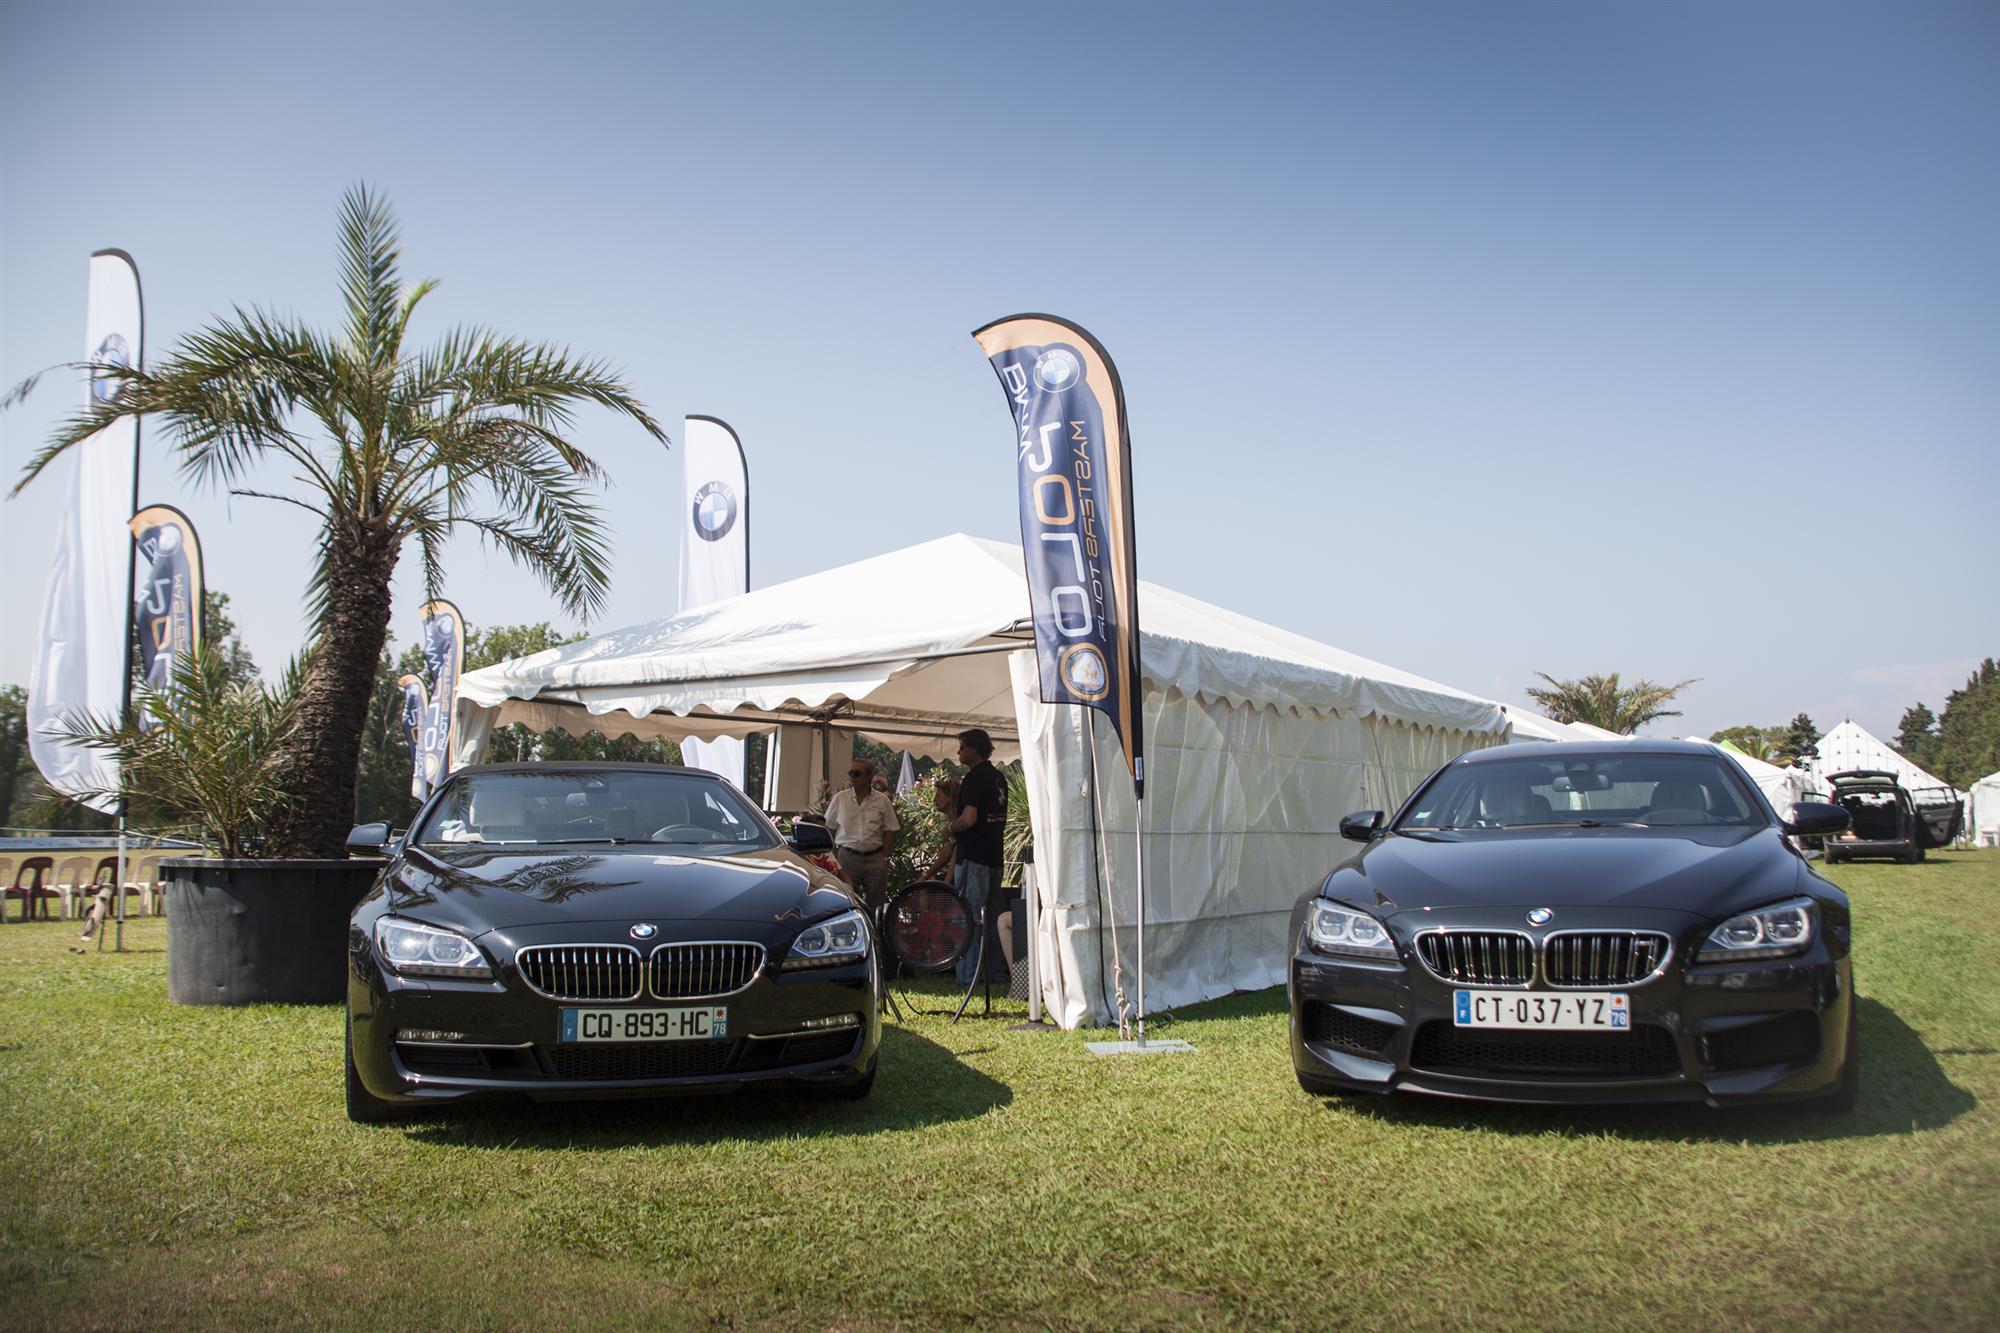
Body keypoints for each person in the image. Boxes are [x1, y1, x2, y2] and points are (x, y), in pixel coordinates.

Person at [947, 728, 1007, 987]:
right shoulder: (999, 778)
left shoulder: (973, 779)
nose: (959, 752)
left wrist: (950, 827)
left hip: (974, 856)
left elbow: (969, 819)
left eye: (961, 747)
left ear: (973, 748)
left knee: (970, 915)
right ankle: (997, 972)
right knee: (995, 917)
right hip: (995, 854)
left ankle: (969, 975)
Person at [823, 759, 899, 911]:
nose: (852, 777)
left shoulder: (882, 800)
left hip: (875, 859)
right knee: (846, 902)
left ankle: (875, 933)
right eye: (851, 773)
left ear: (869, 777)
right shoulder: (840, 798)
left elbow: (889, 830)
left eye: (857, 774)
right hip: (847, 857)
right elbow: (828, 828)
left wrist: (885, 858)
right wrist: (832, 856)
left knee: (875, 905)